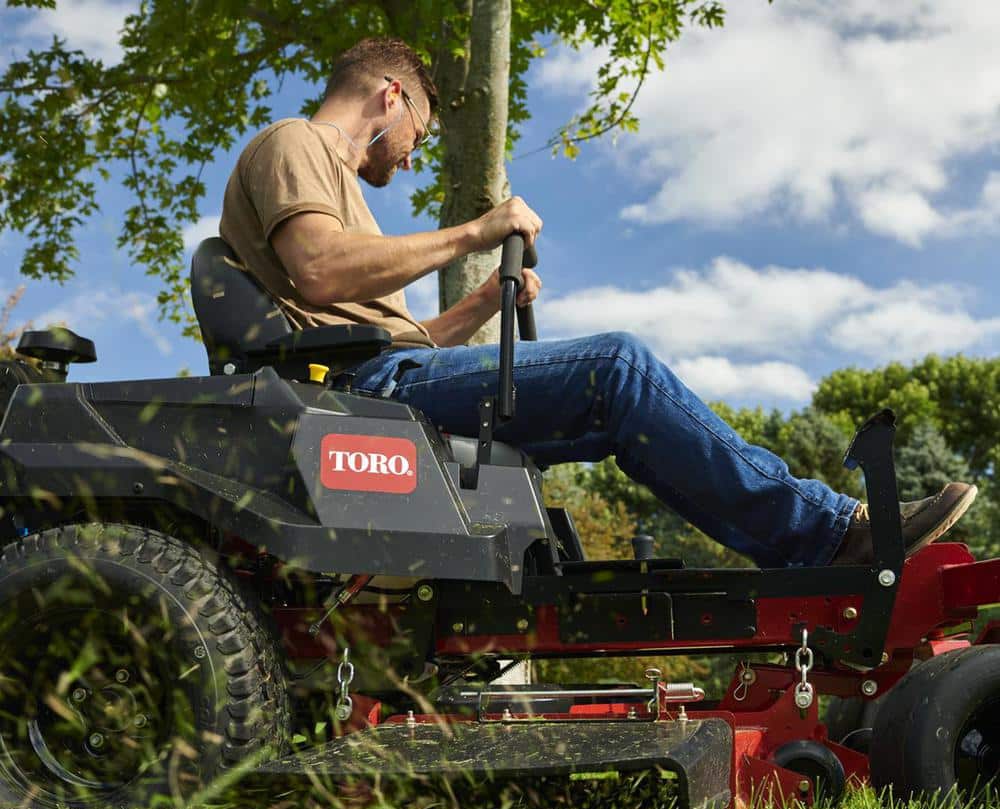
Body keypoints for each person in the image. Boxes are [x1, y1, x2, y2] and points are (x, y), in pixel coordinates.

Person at [219, 37, 976, 569]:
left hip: (384, 379)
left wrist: (486, 297)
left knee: (616, 402)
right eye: (418, 130)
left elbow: (405, 344)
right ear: (392, 97)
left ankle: (808, 545)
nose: (413, 152)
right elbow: (318, 272)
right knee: (617, 367)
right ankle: (827, 534)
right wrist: (478, 230)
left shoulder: (341, 187)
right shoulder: (297, 144)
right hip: (363, 395)